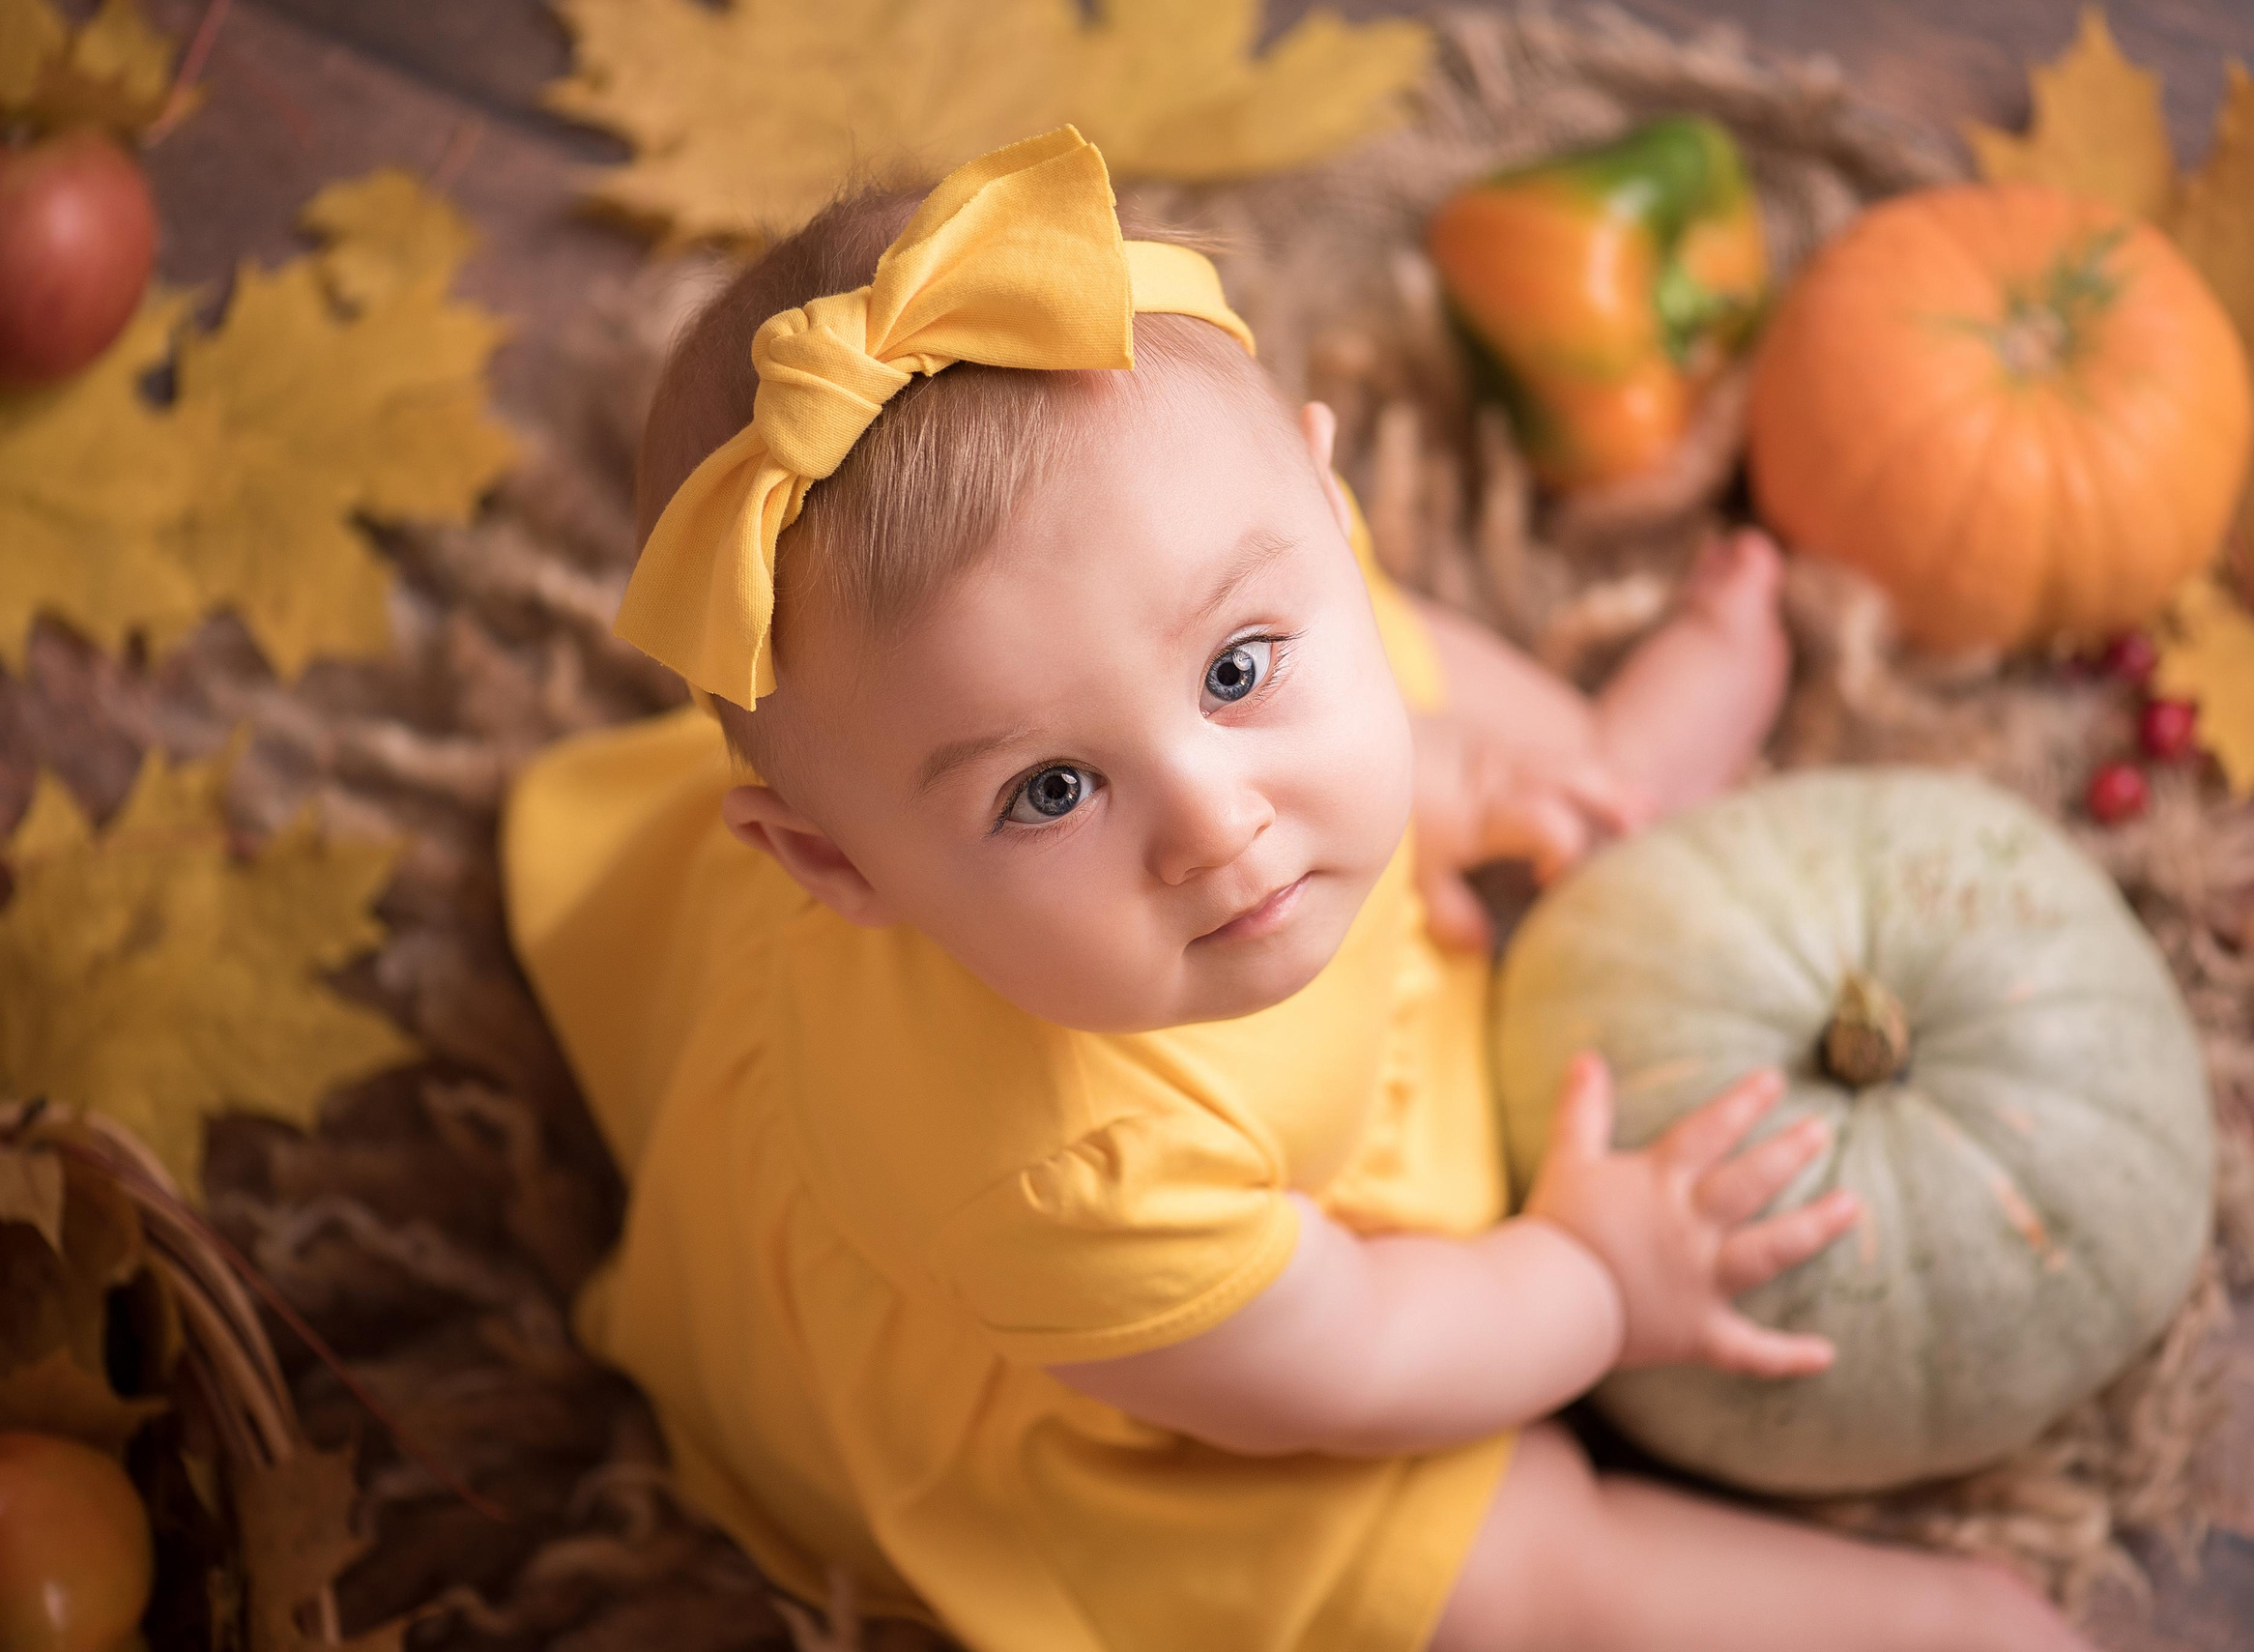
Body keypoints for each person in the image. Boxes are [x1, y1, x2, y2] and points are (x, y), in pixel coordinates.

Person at [504, 127, 2091, 1652]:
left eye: (1238, 671)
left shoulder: (1210, 572)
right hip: (1192, 1372)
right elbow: (1367, 1358)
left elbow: (1395, 664)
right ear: (837, 867)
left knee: (1486, 773)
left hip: (1262, 1129)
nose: (1217, 820)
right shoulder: (1059, 1181)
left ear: (1330, 510)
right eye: (1049, 790)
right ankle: (1940, 1624)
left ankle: (1599, 775)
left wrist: (1517, 768)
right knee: (1506, 1577)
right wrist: (1595, 1280)